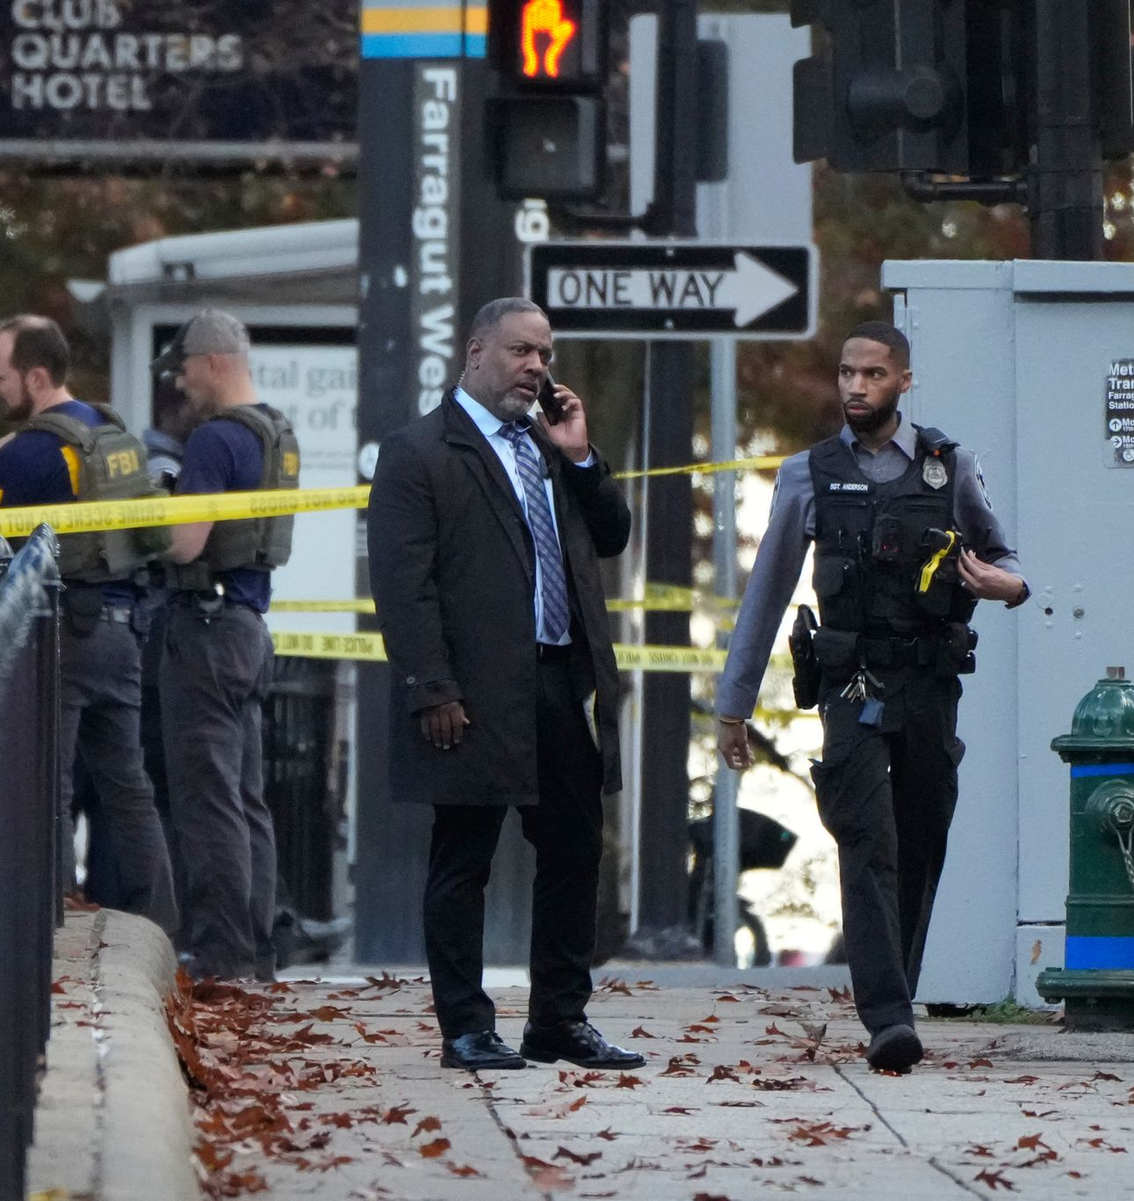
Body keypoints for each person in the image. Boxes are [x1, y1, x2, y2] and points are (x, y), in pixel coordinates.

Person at [715, 322, 1028, 1073]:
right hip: (850, 688)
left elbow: (1003, 555)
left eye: (873, 374)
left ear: (904, 381)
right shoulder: (807, 474)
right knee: (866, 840)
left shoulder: (948, 468)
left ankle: (899, 990)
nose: (855, 386)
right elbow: (767, 593)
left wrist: (1008, 585)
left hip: (927, 686)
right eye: (847, 373)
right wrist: (736, 703)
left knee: (921, 840)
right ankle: (887, 1015)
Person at [367, 297, 643, 1072]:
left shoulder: (548, 443)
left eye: (545, 353)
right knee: (465, 858)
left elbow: (614, 534)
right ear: (476, 350)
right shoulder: (419, 450)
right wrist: (432, 688)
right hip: (470, 692)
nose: (536, 367)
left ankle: (559, 1017)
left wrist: (582, 455)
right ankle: (465, 1025)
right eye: (522, 351)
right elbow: (403, 585)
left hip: (557, 680)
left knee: (574, 848)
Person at [0, 314, 178, 933]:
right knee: (128, 786)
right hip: (123, 628)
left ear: (35, 375)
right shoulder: (114, 434)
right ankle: (157, 926)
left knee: (46, 787)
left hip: (60, 637)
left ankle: (55, 927)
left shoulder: (24, 455)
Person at [154, 309, 300, 982]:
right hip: (249, 625)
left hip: (206, 629)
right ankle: (258, 945)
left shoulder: (215, 439)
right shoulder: (275, 432)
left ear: (213, 361)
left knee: (208, 797)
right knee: (246, 798)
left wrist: (147, 517)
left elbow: (187, 541)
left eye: (183, 367)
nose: (180, 382)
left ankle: (220, 953)